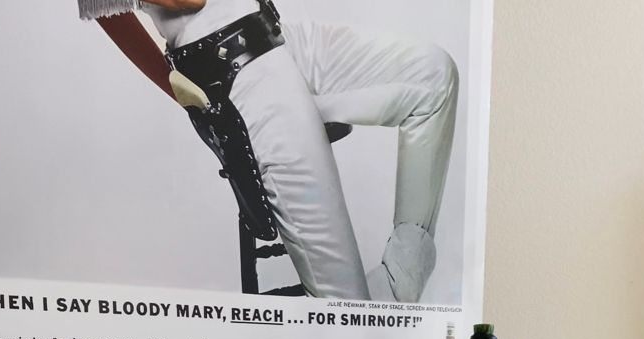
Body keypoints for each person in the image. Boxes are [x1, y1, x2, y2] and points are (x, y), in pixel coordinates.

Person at [79, 0, 459, 302]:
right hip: (239, 75)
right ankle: (364, 329)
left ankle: (402, 278)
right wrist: (191, 96)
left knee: (433, 76)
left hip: (275, 32)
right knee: (346, 316)